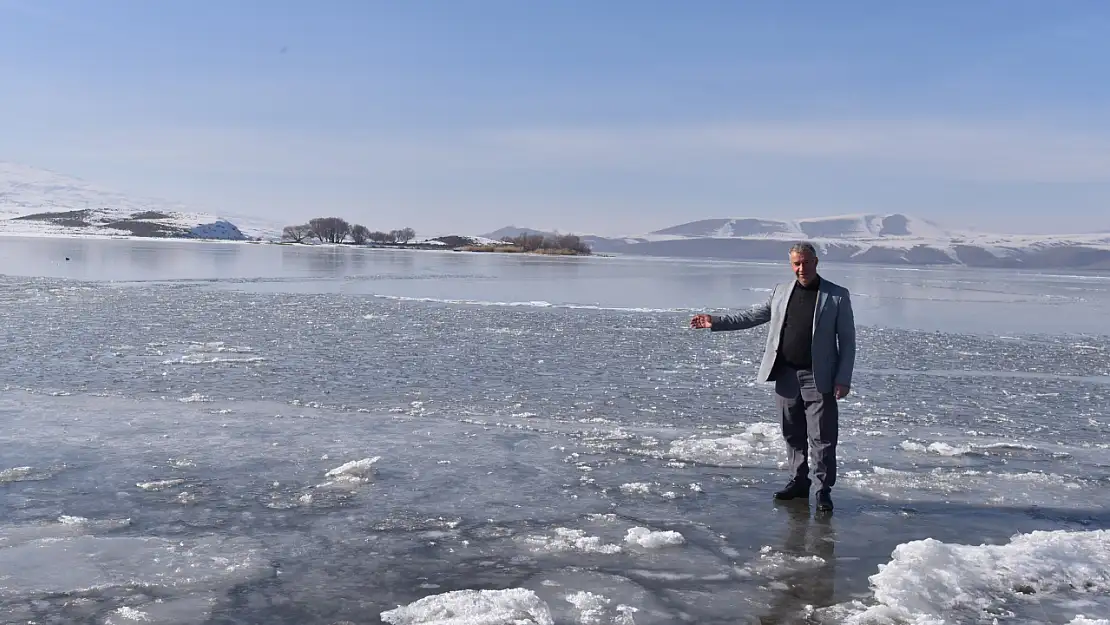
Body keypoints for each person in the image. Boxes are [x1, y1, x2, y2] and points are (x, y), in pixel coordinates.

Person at [690, 242, 855, 512]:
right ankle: (798, 482)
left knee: (823, 438)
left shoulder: (836, 296)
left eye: (804, 262)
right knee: (792, 434)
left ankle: (823, 490)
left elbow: (847, 341)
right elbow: (754, 316)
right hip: (785, 374)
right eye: (795, 263)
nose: (800, 268)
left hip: (819, 377)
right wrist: (716, 321)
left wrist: (843, 378)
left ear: (815, 261)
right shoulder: (781, 292)